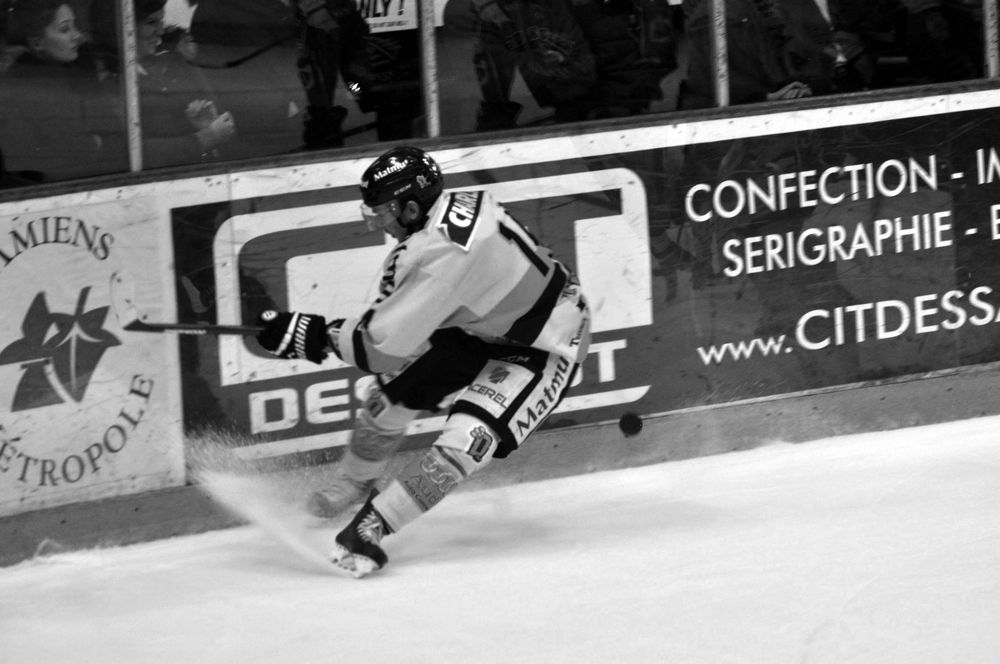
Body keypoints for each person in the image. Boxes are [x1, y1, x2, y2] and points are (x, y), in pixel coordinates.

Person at [254, 146, 591, 577]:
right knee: (391, 396)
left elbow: (378, 347)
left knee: (468, 441)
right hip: (478, 326)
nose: (379, 222)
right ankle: (356, 483)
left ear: (412, 207)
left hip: (545, 345)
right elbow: (390, 324)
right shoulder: (449, 214)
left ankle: (372, 525)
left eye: (384, 213)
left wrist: (310, 336)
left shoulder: (440, 257)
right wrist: (323, 333)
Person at [88, 0, 237, 168]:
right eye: (151, 22)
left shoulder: (167, 66)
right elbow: (126, 153)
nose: (160, 30)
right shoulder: (103, 85)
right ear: (120, 28)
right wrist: (207, 137)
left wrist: (201, 125)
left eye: (161, 21)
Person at [0, 0, 122, 181]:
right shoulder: (23, 88)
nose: (78, 35)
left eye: (75, 27)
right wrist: (95, 143)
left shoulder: (70, 76)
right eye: (65, 29)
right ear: (36, 42)